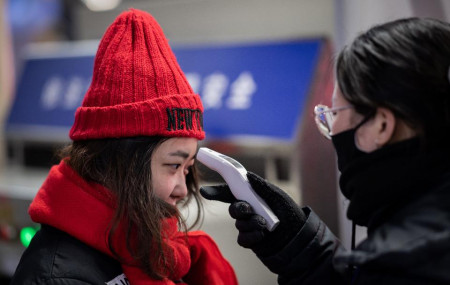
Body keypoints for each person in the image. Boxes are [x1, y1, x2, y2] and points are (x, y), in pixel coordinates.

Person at [201, 17, 450, 284]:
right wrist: (298, 244)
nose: (331, 130)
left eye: (333, 113)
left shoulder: (405, 264)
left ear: (382, 125)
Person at [11, 9, 237, 285]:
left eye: (188, 168)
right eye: (173, 166)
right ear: (119, 160)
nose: (181, 189)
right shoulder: (57, 278)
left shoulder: (157, 251)